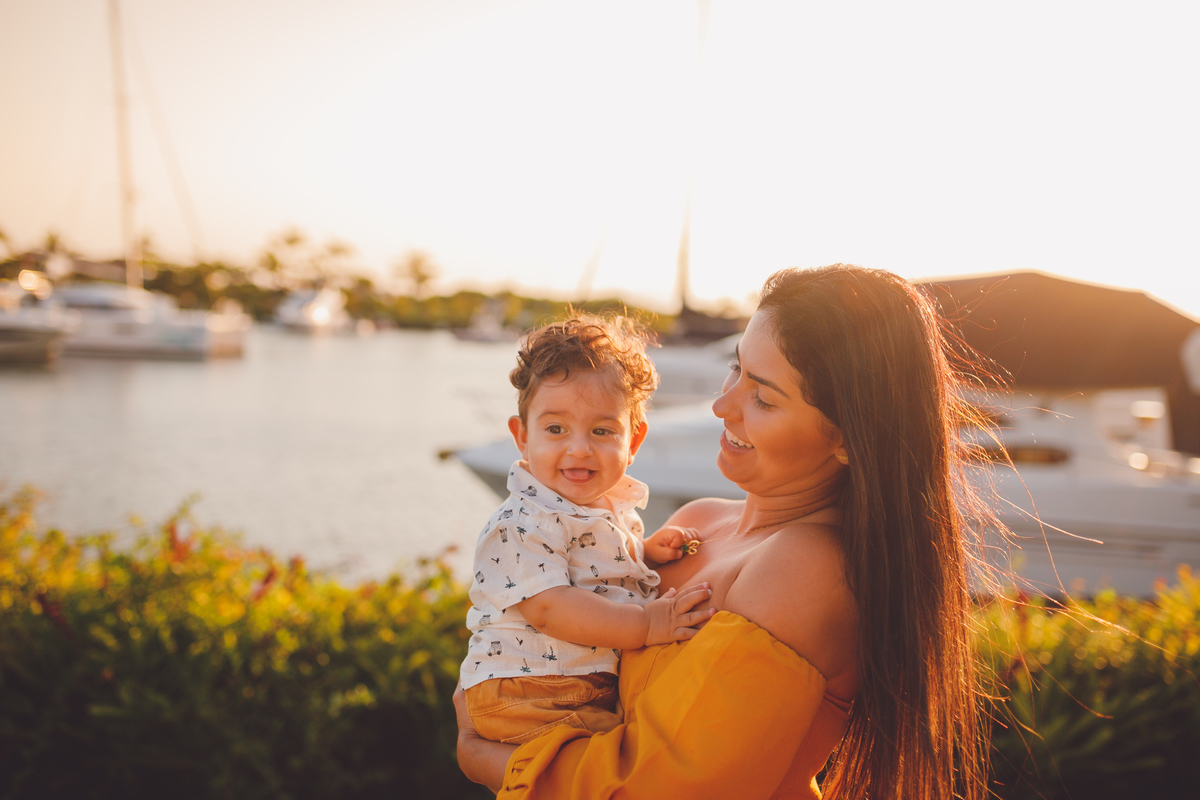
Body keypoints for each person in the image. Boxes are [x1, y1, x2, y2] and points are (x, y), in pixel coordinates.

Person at [455, 265, 988, 800]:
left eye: (764, 397)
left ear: (849, 439)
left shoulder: (807, 570)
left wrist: (489, 761)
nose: (721, 405)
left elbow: (657, 789)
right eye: (737, 370)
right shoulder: (701, 519)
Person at [460, 314, 714, 746]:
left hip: (567, 686)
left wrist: (644, 552)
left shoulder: (607, 507)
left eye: (601, 430)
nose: (578, 448)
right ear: (522, 437)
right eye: (555, 429)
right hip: (531, 688)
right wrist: (646, 625)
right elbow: (551, 607)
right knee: (631, 759)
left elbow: (593, 566)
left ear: (632, 443)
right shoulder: (525, 519)